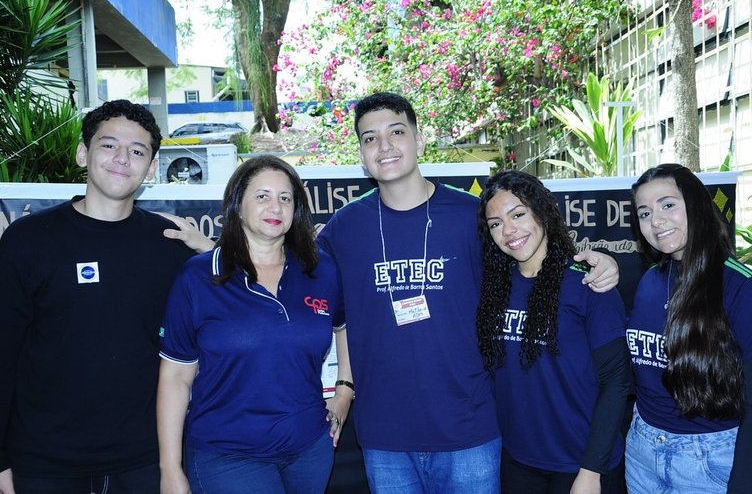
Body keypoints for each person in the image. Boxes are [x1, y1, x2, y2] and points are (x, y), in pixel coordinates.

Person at [316, 91, 620, 493]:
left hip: (470, 431)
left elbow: (530, 263)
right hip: (385, 437)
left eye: (396, 132)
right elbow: (314, 299)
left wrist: (602, 263)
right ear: (360, 152)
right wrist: (344, 387)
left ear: (419, 141)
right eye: (370, 138)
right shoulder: (344, 227)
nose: (384, 146)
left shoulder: (471, 216)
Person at [0, 100, 212, 493]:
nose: (122, 159)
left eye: (137, 151)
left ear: (151, 168)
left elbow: (247, 291)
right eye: (109, 145)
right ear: (83, 153)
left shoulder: (170, 246)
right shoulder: (28, 241)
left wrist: (208, 249)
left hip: (143, 462)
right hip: (45, 465)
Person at [157, 155, 353, 494]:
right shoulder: (199, 277)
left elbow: (343, 326)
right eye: (262, 196)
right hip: (229, 455)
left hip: (309, 450)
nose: (275, 207)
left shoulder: (320, 270)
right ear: (237, 205)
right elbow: (175, 377)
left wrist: (344, 391)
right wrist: (170, 469)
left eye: (285, 198)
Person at [626, 163, 752, 493]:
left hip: (710, 462)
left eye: (667, 205)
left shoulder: (746, 290)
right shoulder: (649, 283)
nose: (655, 221)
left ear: (696, 205)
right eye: (644, 213)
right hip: (641, 453)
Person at [477, 170, 630, 494]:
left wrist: (591, 470)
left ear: (542, 211)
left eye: (518, 214)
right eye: (495, 223)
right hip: (519, 464)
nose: (508, 230)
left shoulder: (588, 284)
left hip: (582, 466)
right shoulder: (493, 288)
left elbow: (616, 382)